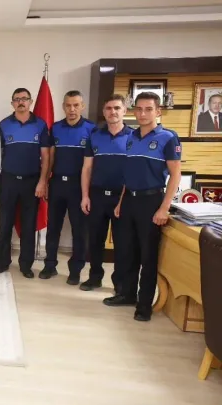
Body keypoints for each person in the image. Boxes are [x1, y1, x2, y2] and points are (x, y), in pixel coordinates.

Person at [111, 92, 182, 322]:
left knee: (147, 256)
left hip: (151, 201)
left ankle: (144, 306)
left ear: (158, 111)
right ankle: (127, 295)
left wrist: (164, 208)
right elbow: (128, 174)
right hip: (129, 200)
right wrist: (121, 201)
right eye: (139, 109)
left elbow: (175, 174)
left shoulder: (168, 138)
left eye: (148, 109)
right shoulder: (131, 137)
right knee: (128, 252)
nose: (142, 113)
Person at [39, 90, 96, 284]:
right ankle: (50, 265)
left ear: (82, 106)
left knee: (79, 230)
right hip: (57, 184)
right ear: (63, 106)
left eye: (76, 105)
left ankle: (75, 270)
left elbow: (92, 163)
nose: (72, 109)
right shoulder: (55, 128)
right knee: (53, 227)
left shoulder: (91, 129)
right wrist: (46, 181)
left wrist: (87, 192)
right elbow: (50, 157)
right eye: (68, 105)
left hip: (79, 186)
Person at [80, 94, 135, 292]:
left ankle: (119, 283)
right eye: (109, 108)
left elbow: (133, 171)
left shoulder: (134, 137)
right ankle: (94, 277)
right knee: (95, 240)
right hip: (97, 195)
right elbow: (87, 168)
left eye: (117, 108)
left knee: (122, 243)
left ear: (124, 111)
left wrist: (123, 199)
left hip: (122, 197)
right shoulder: (95, 135)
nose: (113, 112)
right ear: (104, 112)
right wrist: (85, 196)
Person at [0, 88, 51, 278]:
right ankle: (2, 262)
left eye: (24, 99)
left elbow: (46, 156)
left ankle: (26, 265)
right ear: (12, 103)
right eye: (17, 99)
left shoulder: (40, 125)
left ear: (30, 102)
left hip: (31, 182)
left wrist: (42, 182)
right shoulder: (3, 125)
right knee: (5, 224)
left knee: (28, 225)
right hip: (8, 181)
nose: (21, 102)